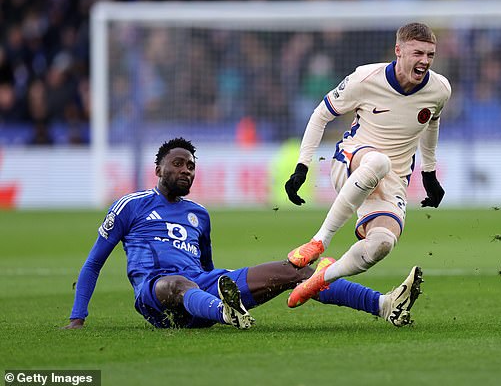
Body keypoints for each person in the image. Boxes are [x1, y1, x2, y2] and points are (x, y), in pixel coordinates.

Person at [64, 137, 423, 330]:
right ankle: (224, 312)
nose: (186, 171)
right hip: (156, 295)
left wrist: (217, 289)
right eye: (178, 164)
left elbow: (207, 268)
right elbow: (94, 262)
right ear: (158, 168)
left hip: (204, 290)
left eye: (191, 166)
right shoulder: (131, 205)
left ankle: (384, 305)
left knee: (298, 271)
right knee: (175, 283)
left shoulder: (199, 215)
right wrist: (77, 318)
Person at [284, 22, 450, 308]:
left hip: (393, 179)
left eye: (430, 55)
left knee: (382, 244)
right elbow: (320, 115)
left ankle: (323, 277)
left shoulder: (439, 89)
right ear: (398, 51)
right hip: (351, 161)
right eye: (418, 53)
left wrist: (429, 172)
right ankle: (319, 241)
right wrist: (302, 166)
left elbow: (431, 121)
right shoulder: (365, 78)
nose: (424, 61)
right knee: (378, 161)